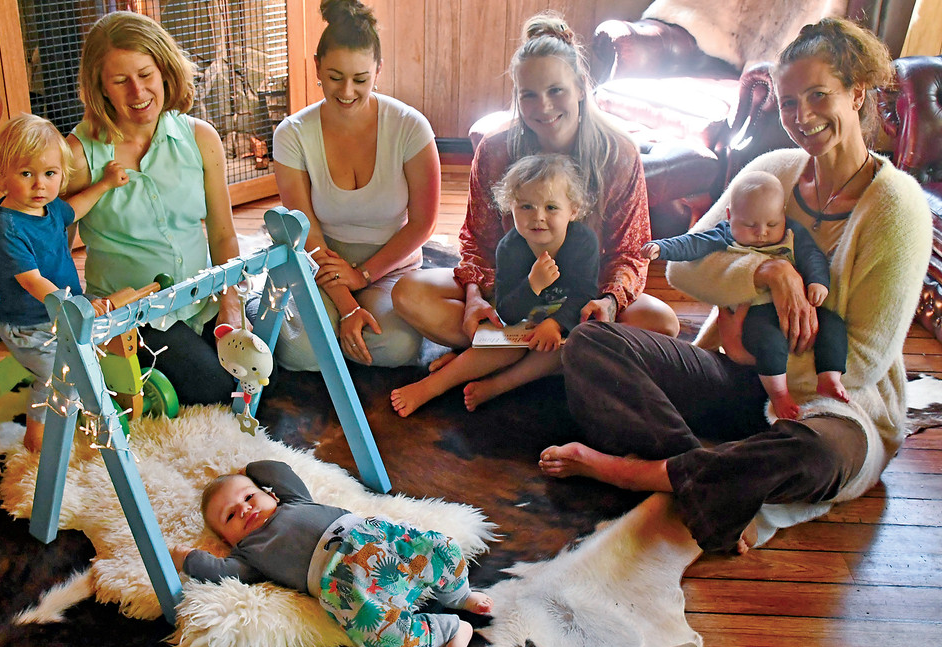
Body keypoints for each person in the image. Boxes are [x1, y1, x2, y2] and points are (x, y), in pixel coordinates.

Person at [538, 17, 932, 555]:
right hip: (744, 381)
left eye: (819, 96)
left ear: (857, 91)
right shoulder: (773, 169)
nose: (802, 117)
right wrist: (764, 272)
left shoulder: (896, 206)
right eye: (789, 103)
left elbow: (861, 361)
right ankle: (702, 474)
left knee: (813, 457)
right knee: (590, 344)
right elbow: (684, 267)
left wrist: (750, 349)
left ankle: (643, 474)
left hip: (834, 407)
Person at [392, 11, 679, 386]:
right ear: (517, 96)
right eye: (529, 94)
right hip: (513, 295)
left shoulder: (618, 153)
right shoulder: (495, 150)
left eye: (556, 90)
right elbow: (476, 241)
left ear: (580, 87)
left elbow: (630, 252)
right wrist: (476, 296)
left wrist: (608, 302)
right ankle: (556, 358)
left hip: (583, 300)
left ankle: (494, 359)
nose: (543, 107)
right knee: (409, 293)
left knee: (660, 324)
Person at [66, 11, 244, 406]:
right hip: (132, 316)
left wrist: (232, 301)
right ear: (101, 88)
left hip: (205, 296)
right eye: (120, 81)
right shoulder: (77, 156)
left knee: (260, 370)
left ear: (165, 70)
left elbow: (222, 233)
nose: (137, 92)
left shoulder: (201, 137)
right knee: (217, 387)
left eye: (145, 75)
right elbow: (53, 245)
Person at [170, 460, 493, 647]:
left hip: (371, 537)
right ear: (228, 540)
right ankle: (449, 629)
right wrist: (187, 558)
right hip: (345, 584)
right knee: (383, 642)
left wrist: (250, 470)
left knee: (440, 548)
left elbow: (280, 470)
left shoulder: (294, 501)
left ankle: (457, 595)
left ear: (271, 494)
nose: (243, 509)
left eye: (249, 496)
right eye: (230, 515)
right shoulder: (248, 554)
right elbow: (220, 572)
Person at [269, 0, 440, 371]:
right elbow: (304, 232)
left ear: (378, 70)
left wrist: (363, 275)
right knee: (301, 353)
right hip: (320, 258)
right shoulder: (292, 134)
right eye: (334, 77)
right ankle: (276, 306)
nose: (347, 91)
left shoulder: (410, 127)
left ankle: (334, 336)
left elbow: (423, 223)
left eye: (360, 79)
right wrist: (347, 305)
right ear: (316, 66)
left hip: (390, 262)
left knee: (395, 346)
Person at [391, 153, 597, 416]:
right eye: (526, 207)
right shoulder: (510, 248)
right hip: (520, 328)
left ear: (574, 210)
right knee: (501, 348)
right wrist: (532, 284)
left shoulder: (583, 243)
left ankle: (495, 385)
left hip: (560, 331)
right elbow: (508, 312)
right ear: (511, 207)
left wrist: (556, 324)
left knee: (568, 349)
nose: (538, 217)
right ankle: (431, 386)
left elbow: (585, 294)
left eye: (551, 207)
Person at [641, 171, 848, 419]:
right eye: (750, 225)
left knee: (833, 324)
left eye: (772, 224)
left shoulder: (793, 233)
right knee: (770, 344)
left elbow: (812, 256)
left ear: (783, 214)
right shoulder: (725, 233)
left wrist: (818, 282)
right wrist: (661, 247)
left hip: (801, 310)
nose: (761, 233)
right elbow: (692, 243)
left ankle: (829, 378)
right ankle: (779, 395)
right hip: (755, 314)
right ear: (730, 217)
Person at [0, 113, 123, 451]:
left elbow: (73, 209)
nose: (39, 184)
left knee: (94, 351)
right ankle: (35, 437)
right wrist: (75, 303)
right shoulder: (7, 229)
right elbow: (32, 282)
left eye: (49, 174)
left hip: (61, 313)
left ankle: (92, 407)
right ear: (0, 177)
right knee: (57, 375)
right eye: (26, 174)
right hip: (28, 323)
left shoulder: (49, 208)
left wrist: (104, 184)